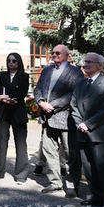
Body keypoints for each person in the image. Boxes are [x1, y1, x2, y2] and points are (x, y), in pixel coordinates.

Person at [71, 53, 104, 207]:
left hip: (99, 133)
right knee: (88, 167)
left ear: (100, 66)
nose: (86, 64)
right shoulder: (80, 84)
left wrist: (88, 124)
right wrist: (80, 124)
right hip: (82, 131)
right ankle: (97, 196)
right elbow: (74, 106)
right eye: (85, 61)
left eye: (90, 62)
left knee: (103, 168)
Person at [33, 44, 83, 195]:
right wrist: (41, 102)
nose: (54, 55)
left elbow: (73, 94)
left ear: (67, 55)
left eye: (58, 53)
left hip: (65, 118)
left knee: (70, 153)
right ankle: (55, 182)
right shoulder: (47, 70)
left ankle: (72, 185)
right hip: (47, 117)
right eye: (53, 53)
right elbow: (38, 89)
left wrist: (53, 105)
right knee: (49, 151)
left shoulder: (75, 72)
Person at [0, 53, 30, 183]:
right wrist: (0, 98)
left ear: (19, 62)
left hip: (18, 111)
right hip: (3, 112)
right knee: (1, 142)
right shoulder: (2, 75)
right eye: (9, 61)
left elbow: (22, 93)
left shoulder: (24, 76)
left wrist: (5, 97)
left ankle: (21, 175)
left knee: (21, 144)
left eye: (14, 61)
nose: (11, 63)